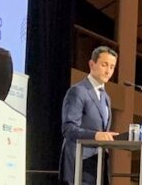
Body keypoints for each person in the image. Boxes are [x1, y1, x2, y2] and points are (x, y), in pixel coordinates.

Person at [59, 46, 120, 185]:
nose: (108, 70)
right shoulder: (78, 91)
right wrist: (95, 135)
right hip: (80, 163)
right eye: (104, 65)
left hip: (98, 164)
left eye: (112, 67)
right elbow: (68, 129)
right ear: (92, 64)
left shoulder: (106, 98)